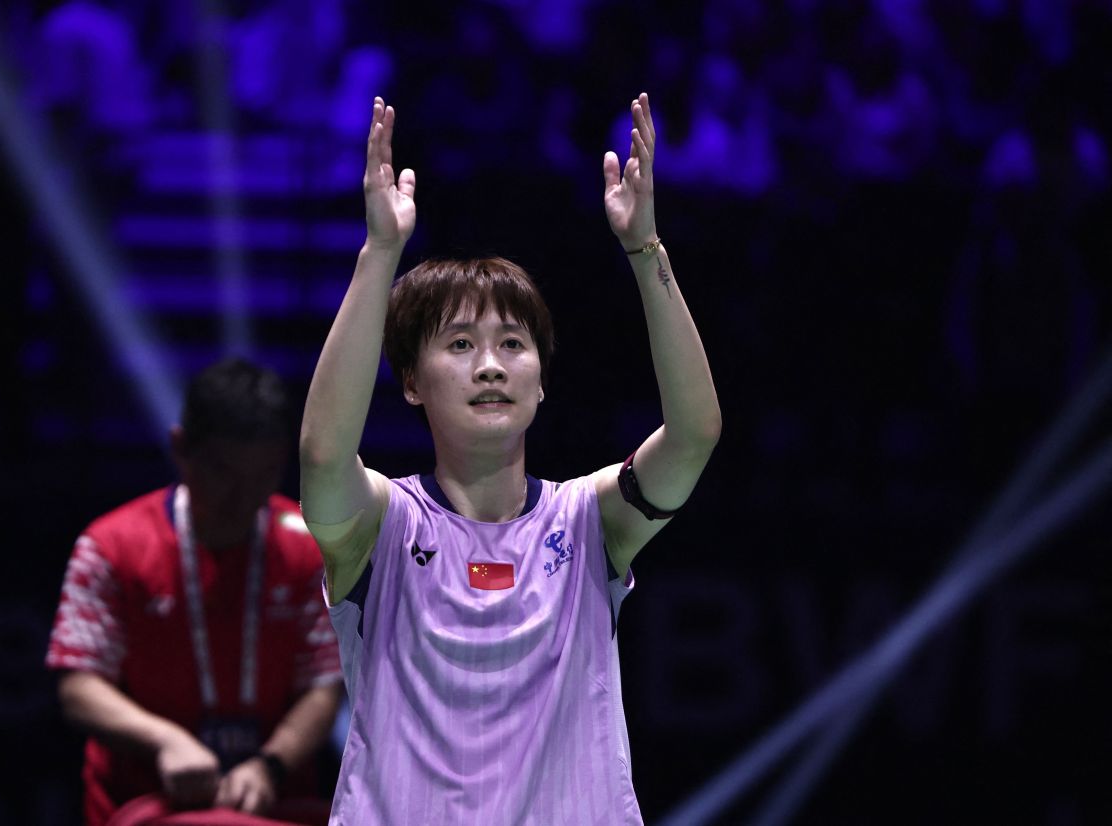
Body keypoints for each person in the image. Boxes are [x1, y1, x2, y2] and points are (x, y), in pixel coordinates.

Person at [299, 94, 721, 823]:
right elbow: (322, 453)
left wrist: (646, 249)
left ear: (541, 379)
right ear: (411, 381)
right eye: (460, 345)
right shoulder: (379, 527)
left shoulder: (589, 523)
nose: (491, 366)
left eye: (513, 345)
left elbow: (693, 435)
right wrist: (380, 254)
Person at [46, 357, 344, 825]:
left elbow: (325, 685)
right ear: (181, 448)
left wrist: (270, 765)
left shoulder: (308, 547)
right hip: (140, 805)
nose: (245, 498)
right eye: (224, 473)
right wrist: (165, 741)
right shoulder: (110, 546)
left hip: (268, 808)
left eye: (264, 474)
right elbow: (79, 686)